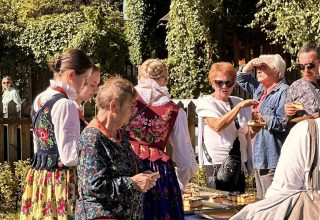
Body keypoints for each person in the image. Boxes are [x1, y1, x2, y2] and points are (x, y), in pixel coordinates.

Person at [20, 49, 93, 220]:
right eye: (84, 79)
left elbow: (39, 145)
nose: (84, 85)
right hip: (62, 181)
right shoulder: (66, 104)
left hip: (40, 177)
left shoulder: (40, 98)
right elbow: (69, 157)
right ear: (71, 75)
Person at [75, 76, 160, 220]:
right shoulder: (92, 138)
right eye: (131, 106)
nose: (133, 111)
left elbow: (131, 167)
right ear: (114, 106)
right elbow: (93, 186)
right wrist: (132, 182)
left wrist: (146, 175)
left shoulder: (119, 133)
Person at [125, 58, 197, 220]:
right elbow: (186, 161)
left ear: (138, 77)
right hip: (157, 173)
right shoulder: (174, 111)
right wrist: (178, 184)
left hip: (125, 165)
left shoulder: (125, 101)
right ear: (165, 80)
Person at [196, 62, 257, 193]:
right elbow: (217, 126)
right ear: (212, 83)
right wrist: (238, 108)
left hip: (238, 162)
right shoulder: (206, 102)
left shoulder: (237, 101)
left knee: (237, 205)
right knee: (220, 207)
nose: (224, 86)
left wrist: (256, 127)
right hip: (218, 163)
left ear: (234, 83)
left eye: (228, 82)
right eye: (219, 82)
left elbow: (246, 134)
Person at [237, 54, 289, 199]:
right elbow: (240, 78)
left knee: (271, 204)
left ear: (277, 71)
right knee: (261, 201)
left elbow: (284, 122)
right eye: (258, 68)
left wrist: (262, 118)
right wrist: (250, 65)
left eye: (263, 67)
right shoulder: (261, 89)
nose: (258, 70)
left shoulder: (284, 92)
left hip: (271, 156)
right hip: (258, 155)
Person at [285, 44, 320, 120]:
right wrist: (288, 113)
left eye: (310, 65)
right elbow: (284, 124)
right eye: (301, 66)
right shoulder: (295, 87)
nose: (306, 71)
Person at [74, 64, 101, 129]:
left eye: (97, 85)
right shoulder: (68, 107)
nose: (96, 90)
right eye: (92, 85)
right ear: (81, 81)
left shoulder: (78, 107)